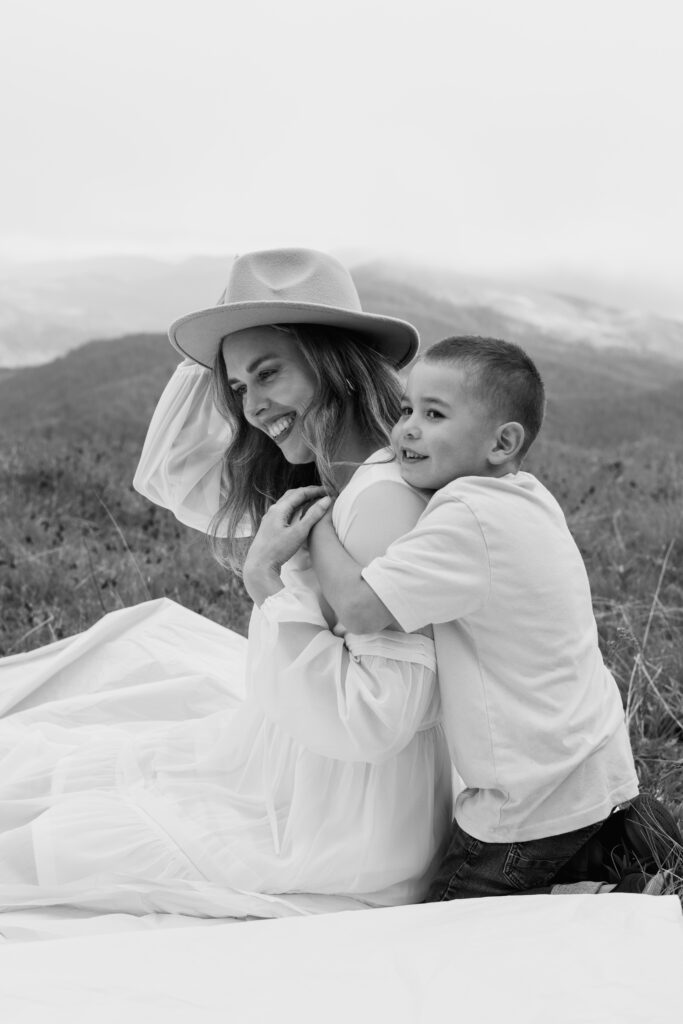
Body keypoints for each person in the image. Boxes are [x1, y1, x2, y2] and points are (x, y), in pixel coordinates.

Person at [0, 249, 451, 921]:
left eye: (269, 373)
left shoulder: (381, 500)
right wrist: (220, 346)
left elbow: (378, 723)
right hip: (313, 781)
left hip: (349, 824)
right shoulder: (335, 479)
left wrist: (268, 583)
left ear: (334, 359)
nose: (252, 406)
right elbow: (172, 474)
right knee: (59, 798)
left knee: (63, 845)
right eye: (237, 389)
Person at [265, 334, 680, 898]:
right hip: (594, 768)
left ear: (502, 441)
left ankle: (600, 900)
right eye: (407, 408)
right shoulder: (526, 495)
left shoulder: (466, 518)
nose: (407, 428)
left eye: (434, 415)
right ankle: (619, 854)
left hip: (525, 806)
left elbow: (360, 610)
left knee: (446, 926)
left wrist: (317, 527)